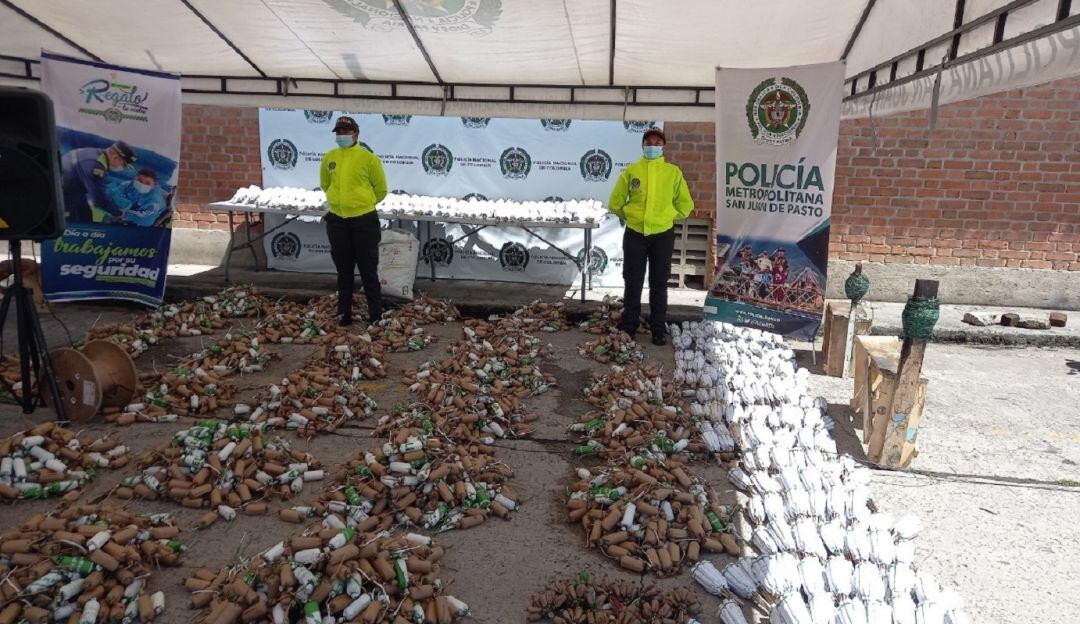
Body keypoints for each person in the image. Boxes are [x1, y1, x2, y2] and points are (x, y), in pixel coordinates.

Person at [608, 127, 694, 345]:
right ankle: (629, 326)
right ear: (642, 146)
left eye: (657, 143)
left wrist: (666, 217)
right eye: (649, 143)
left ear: (663, 147)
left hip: (662, 236)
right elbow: (615, 202)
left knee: (659, 283)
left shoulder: (673, 173)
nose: (653, 147)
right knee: (633, 281)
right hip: (635, 235)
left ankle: (658, 329)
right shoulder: (632, 170)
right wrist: (631, 216)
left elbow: (686, 205)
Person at [320, 116, 388, 326]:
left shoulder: (369, 159)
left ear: (356, 134)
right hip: (337, 222)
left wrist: (361, 204)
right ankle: (344, 315)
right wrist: (339, 203)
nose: (342, 136)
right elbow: (325, 184)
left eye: (346, 132)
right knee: (344, 272)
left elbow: (381, 190)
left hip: (364, 222)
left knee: (368, 271)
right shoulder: (329, 157)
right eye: (339, 132)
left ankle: (375, 316)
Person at [61, 141, 137, 223]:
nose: (123, 168)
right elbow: (99, 197)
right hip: (63, 194)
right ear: (115, 157)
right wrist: (118, 213)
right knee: (73, 222)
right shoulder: (96, 165)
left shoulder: (96, 154)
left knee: (85, 216)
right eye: (124, 165)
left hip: (72, 189)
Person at [104, 168, 169, 227]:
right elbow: (113, 191)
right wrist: (123, 204)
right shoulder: (129, 184)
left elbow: (145, 217)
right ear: (135, 178)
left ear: (154, 185)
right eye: (139, 180)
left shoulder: (156, 201)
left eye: (147, 183)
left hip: (139, 223)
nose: (142, 184)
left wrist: (125, 214)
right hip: (120, 214)